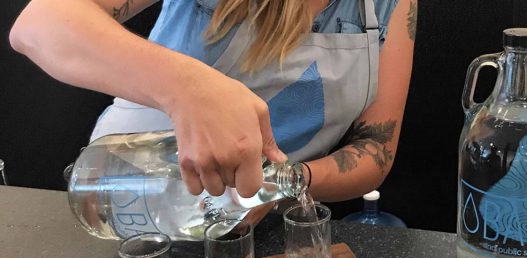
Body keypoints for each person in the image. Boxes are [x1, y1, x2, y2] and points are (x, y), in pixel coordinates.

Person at [10, 0, 416, 203]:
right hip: (128, 202)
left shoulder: (388, 6)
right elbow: (39, 23)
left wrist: (276, 187)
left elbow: (374, 150)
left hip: (260, 221)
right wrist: (188, 88)